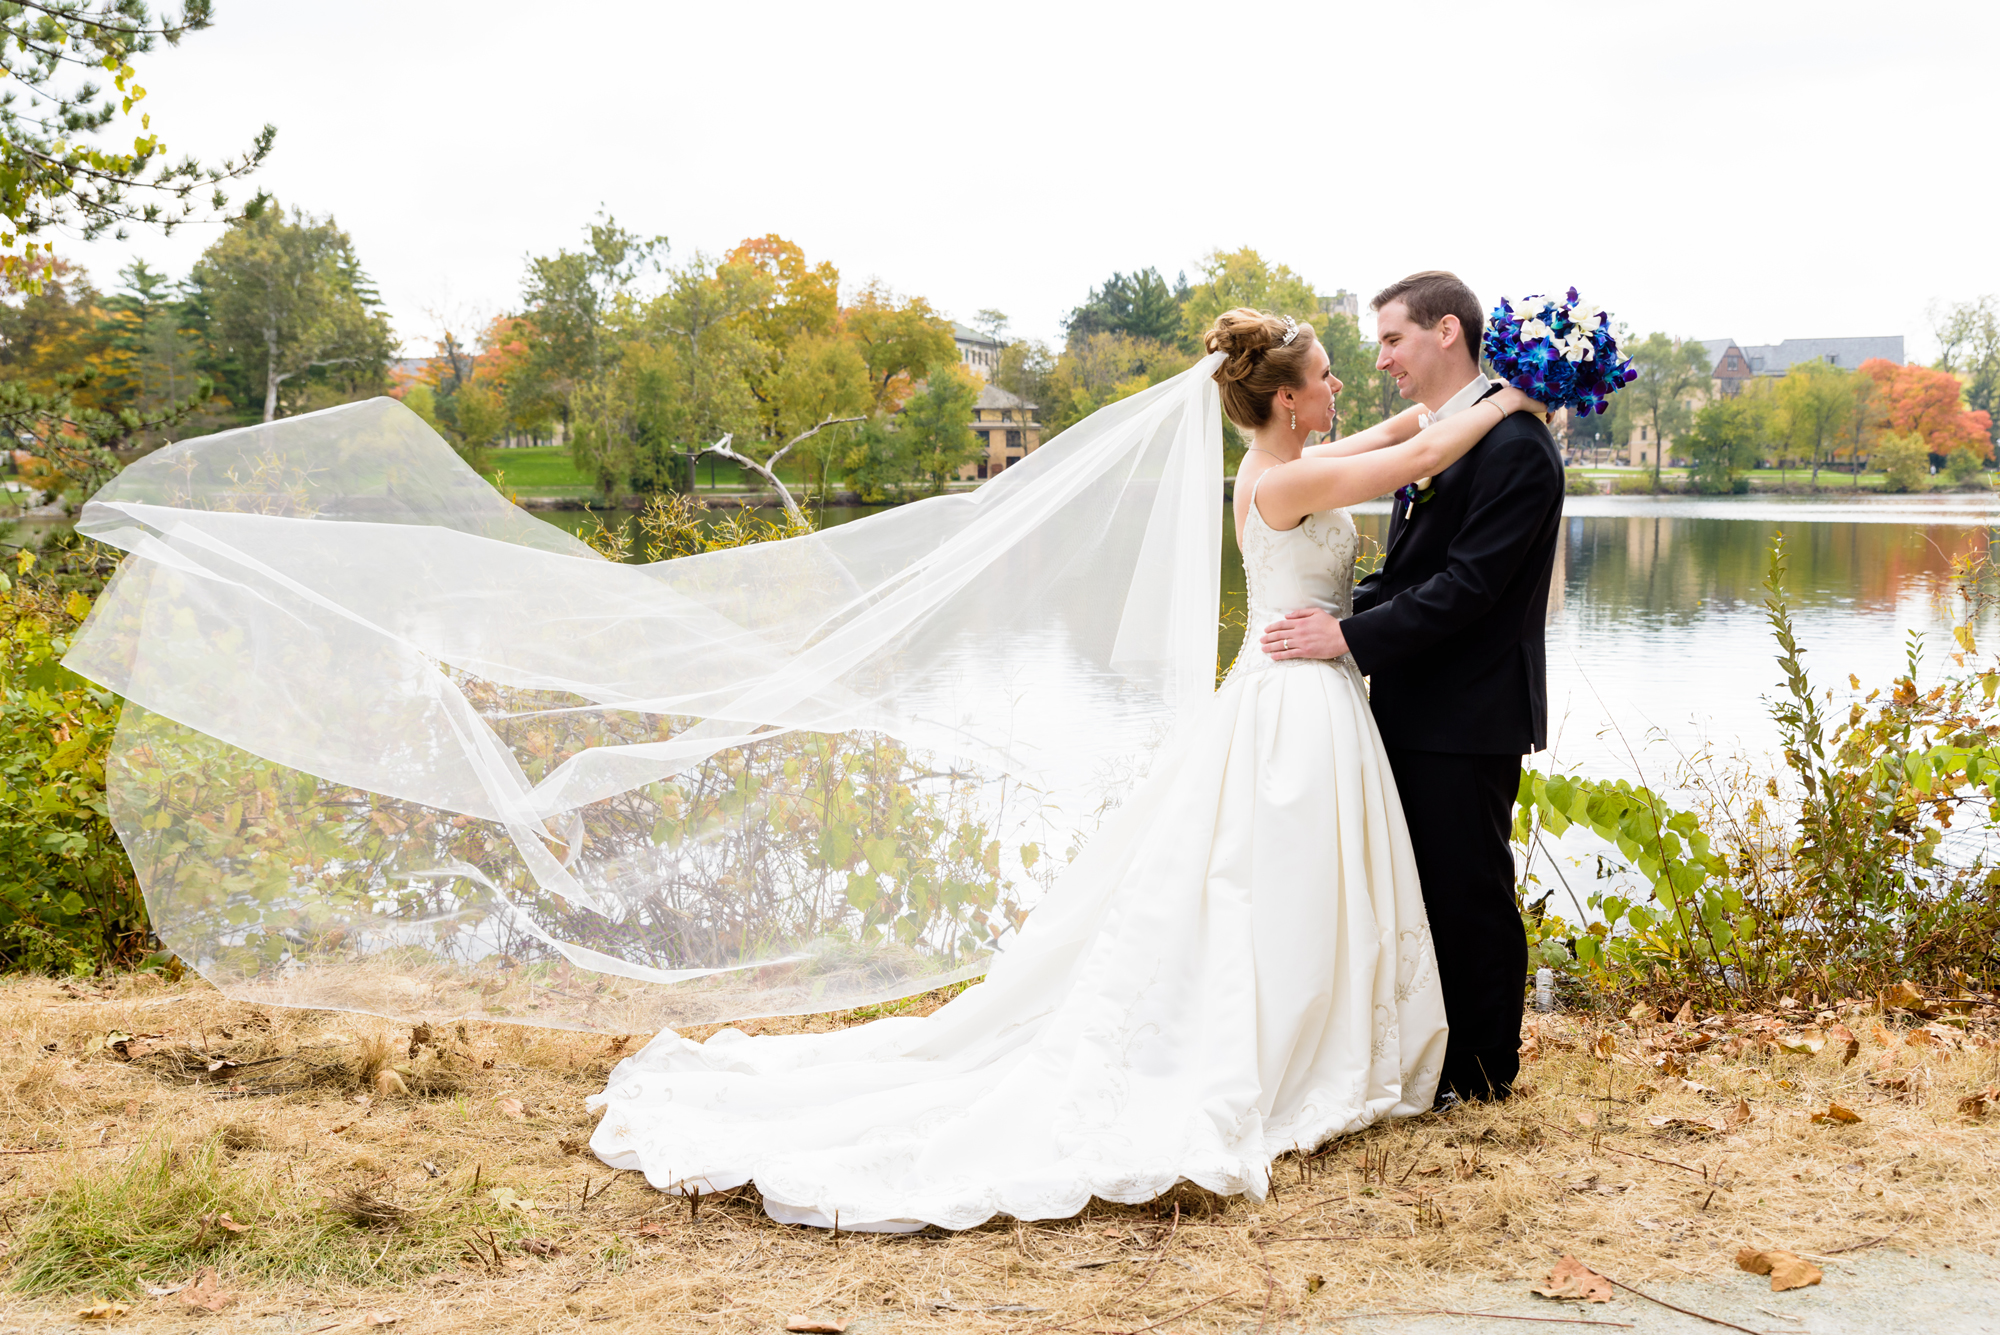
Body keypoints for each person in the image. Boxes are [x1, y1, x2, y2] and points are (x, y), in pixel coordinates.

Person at [584, 308, 1547, 1229]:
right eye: (1328, 373)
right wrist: (1509, 401)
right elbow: (1416, 457)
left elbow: (1400, 429)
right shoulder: (1286, 481)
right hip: (1292, 701)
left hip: (1305, 694)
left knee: (1272, 876)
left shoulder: (1285, 457)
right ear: (1290, 401)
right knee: (1271, 875)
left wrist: (1452, 397)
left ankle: (1327, 1021)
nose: (1344, 383)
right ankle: (1283, 1038)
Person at [1257, 271, 1566, 1104]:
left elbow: (1468, 587)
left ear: (1446, 334)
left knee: (1469, 887)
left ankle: (1483, 1071)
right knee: (1417, 888)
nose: (1382, 356)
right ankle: (1430, 1060)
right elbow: (1406, 570)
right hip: (1406, 701)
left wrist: (1347, 634)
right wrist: (1346, 620)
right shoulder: (1449, 432)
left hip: (1469, 710)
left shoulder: (1516, 448)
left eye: (1393, 338)